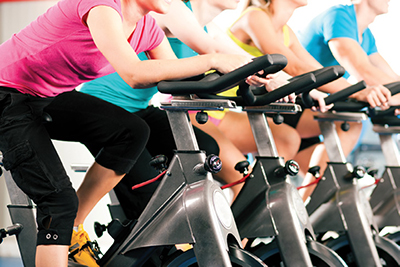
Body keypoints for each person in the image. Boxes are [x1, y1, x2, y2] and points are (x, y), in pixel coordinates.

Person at [0, 0, 257, 265]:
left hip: (47, 95)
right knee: (59, 204)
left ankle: (74, 226)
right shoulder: (101, 7)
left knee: (132, 132)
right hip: (6, 93)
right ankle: (68, 222)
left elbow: (179, 83)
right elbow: (134, 73)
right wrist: (214, 59)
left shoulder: (146, 28)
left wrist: (251, 79)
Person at [227, 0, 393, 201]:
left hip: (286, 104)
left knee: (344, 127)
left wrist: (348, 91)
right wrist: (358, 92)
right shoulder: (255, 16)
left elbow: (316, 71)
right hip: (247, 108)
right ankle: (299, 208)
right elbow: (295, 68)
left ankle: (306, 208)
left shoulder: (286, 31)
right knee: (301, 136)